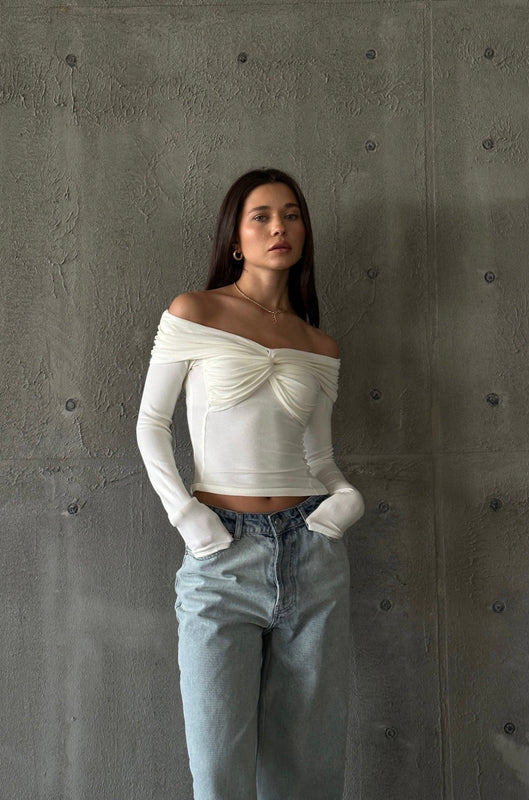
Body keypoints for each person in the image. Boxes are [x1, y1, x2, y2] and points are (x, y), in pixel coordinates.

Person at [136, 168, 365, 800]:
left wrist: (345, 501)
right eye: (260, 216)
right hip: (222, 556)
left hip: (313, 553)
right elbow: (151, 426)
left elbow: (319, 454)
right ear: (236, 236)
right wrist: (190, 519)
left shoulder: (318, 343)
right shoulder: (196, 311)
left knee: (308, 774)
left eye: (291, 215)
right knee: (218, 775)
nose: (279, 228)